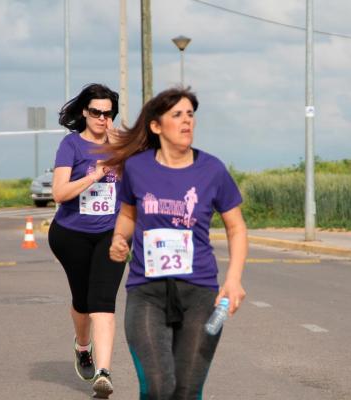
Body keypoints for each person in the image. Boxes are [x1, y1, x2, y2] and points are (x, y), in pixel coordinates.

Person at [107, 87, 248, 399]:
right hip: (147, 292)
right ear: (156, 126)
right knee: (158, 387)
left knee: (186, 391)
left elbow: (236, 228)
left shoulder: (212, 170)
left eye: (190, 115)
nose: (187, 122)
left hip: (199, 292)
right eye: (177, 115)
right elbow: (128, 214)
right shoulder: (137, 167)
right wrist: (119, 239)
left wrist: (234, 279)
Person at [47, 83, 127, 398]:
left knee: (103, 302)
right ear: (85, 112)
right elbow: (59, 193)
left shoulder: (122, 145)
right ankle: (83, 346)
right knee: (82, 301)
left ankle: (103, 373)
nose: (102, 119)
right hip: (71, 234)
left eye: (108, 114)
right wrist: (94, 176)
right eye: (96, 112)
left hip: (111, 234)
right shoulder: (71, 146)